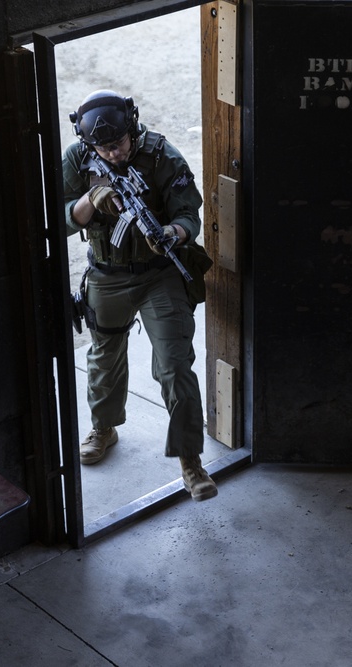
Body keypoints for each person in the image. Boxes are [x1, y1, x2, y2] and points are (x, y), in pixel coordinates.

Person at [61, 89, 217, 502]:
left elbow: (189, 214)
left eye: (119, 145)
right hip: (107, 275)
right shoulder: (78, 159)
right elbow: (57, 220)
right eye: (103, 148)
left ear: (132, 130)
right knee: (104, 357)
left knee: (174, 364)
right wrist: (90, 200)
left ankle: (190, 460)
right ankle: (104, 426)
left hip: (159, 274)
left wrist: (173, 233)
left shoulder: (162, 155)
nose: (112, 154)